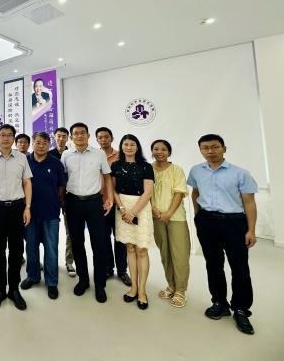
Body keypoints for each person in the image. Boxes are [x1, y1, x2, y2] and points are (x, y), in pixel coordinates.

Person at [187, 134, 258, 335]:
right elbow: (195, 193)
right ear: (200, 150)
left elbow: (249, 203)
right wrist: (198, 216)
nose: (210, 151)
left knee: (239, 267)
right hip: (207, 222)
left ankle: (241, 309)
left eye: (215, 147)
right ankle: (219, 302)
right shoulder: (196, 171)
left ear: (224, 148)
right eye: (205, 148)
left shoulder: (240, 173)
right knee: (213, 264)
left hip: (234, 223)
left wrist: (251, 230)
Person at [61, 122, 114, 303]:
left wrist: (110, 198)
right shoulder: (66, 155)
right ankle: (83, 280)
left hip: (94, 202)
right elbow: (63, 179)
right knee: (77, 243)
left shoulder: (99, 154)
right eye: (76, 133)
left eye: (83, 133)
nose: (79, 136)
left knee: (99, 244)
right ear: (71, 137)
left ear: (88, 135)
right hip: (73, 202)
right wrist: (62, 201)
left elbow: (107, 177)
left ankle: (100, 284)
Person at [0, 124, 33, 311]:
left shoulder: (21, 158)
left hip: (17, 208)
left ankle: (13, 289)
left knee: (17, 251)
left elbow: (27, 183)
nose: (5, 138)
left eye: (9, 135)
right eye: (2, 135)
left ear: (13, 138)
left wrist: (27, 207)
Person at [111, 134, 155, 310]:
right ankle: (134, 287)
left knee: (141, 249)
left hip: (141, 208)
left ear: (137, 147)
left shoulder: (146, 166)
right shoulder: (116, 165)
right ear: (121, 147)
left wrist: (133, 212)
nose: (129, 147)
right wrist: (123, 209)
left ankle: (142, 291)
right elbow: (113, 190)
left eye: (132, 144)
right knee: (129, 248)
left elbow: (148, 192)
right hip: (122, 208)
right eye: (126, 144)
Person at [21, 132, 65, 299]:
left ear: (49, 144)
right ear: (32, 143)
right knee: (31, 248)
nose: (41, 146)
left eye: (45, 143)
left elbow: (61, 187)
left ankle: (52, 282)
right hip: (29, 213)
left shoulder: (56, 163)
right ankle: (32, 276)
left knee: (51, 249)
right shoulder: (24, 161)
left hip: (50, 213)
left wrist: (60, 205)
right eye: (38, 142)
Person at [150, 139, 190, 308]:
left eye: (163, 149)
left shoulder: (176, 170)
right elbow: (145, 193)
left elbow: (179, 193)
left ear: (169, 152)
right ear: (152, 151)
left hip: (176, 218)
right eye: (156, 149)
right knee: (165, 253)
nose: (160, 152)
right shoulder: (147, 169)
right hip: (156, 217)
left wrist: (168, 213)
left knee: (180, 254)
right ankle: (171, 285)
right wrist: (155, 211)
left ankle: (181, 290)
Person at [96, 127, 131, 286]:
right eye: (100, 137)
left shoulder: (120, 156)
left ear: (112, 138)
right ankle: (108, 268)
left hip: (119, 204)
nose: (103, 140)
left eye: (106, 137)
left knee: (120, 238)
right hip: (101, 204)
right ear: (97, 140)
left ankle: (122, 271)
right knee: (103, 238)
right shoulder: (94, 156)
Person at [48, 126, 75, 277]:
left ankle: (69, 261)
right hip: (51, 198)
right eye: (59, 136)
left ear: (68, 138)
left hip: (68, 197)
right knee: (50, 232)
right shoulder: (48, 154)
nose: (61, 138)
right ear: (54, 137)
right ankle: (50, 262)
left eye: (64, 136)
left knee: (70, 231)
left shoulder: (71, 154)